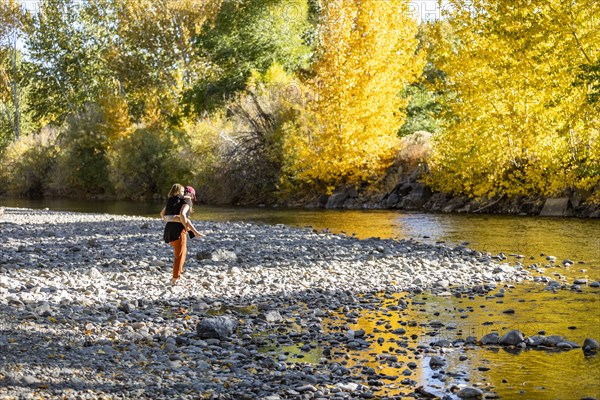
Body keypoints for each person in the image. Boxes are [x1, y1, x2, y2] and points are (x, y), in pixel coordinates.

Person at [162, 184, 203, 286]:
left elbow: (163, 213)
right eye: (193, 196)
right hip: (178, 231)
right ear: (191, 194)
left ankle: (179, 273)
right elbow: (183, 215)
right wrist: (190, 228)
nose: (192, 199)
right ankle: (175, 279)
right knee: (179, 255)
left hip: (169, 230)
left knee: (183, 252)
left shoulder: (176, 201)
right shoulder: (187, 201)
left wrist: (169, 219)